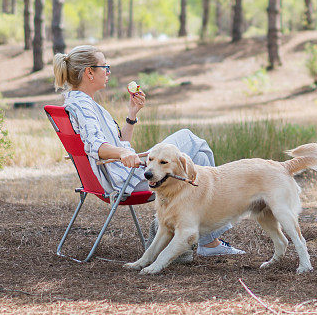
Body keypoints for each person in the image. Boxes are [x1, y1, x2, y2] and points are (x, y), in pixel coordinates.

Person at [52, 44, 244, 257]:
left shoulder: (82, 102)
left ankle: (187, 233)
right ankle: (201, 239)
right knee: (192, 140)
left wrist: (132, 115)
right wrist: (123, 154)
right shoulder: (82, 106)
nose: (108, 71)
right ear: (89, 72)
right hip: (127, 179)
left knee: (196, 156)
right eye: (104, 66)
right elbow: (96, 146)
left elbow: (120, 143)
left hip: (124, 171)